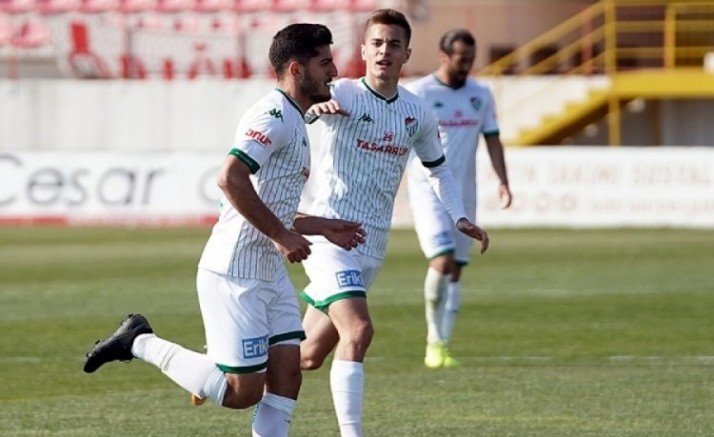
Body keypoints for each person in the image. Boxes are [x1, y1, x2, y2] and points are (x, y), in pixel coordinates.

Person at [82, 23, 367, 437]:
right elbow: (230, 178)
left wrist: (322, 226)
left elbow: (268, 204)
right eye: (325, 63)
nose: (334, 72)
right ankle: (139, 341)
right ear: (296, 69)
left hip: (269, 273)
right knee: (241, 393)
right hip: (236, 273)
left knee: (288, 376)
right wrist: (281, 235)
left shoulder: (296, 119)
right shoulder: (272, 116)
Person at [298, 9, 490, 437]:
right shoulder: (341, 92)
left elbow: (438, 169)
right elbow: (297, 110)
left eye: (394, 44)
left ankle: (222, 367)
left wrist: (460, 216)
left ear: (407, 54)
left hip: (371, 246)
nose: (385, 50)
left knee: (307, 355)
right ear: (364, 50)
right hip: (330, 238)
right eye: (377, 43)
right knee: (359, 330)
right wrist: (313, 109)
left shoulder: (417, 112)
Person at [405, 28, 512, 369]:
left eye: (470, 59)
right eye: (461, 59)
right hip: (427, 191)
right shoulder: (420, 92)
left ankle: (444, 345)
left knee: (455, 271)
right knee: (442, 260)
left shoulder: (481, 94)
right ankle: (432, 341)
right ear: (444, 57)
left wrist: (503, 181)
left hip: (464, 193)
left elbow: (492, 138)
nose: (466, 65)